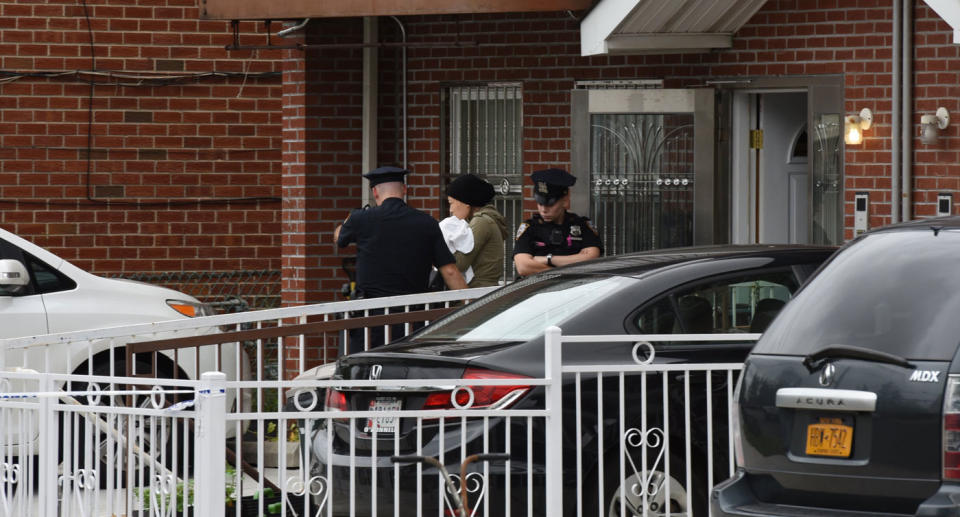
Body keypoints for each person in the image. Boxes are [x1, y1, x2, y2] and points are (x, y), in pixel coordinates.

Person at [334, 166, 467, 352]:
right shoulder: (426, 222)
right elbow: (450, 271)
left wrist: (351, 218)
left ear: (374, 192)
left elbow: (340, 238)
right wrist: (471, 306)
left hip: (370, 319)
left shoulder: (360, 219)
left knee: (364, 372)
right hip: (412, 320)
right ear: (404, 190)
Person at [513, 168, 603, 277]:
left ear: (565, 200)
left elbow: (590, 259)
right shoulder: (530, 227)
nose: (544, 210)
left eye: (550, 204)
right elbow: (524, 267)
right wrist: (564, 274)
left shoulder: (581, 225)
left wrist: (548, 259)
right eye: (540, 203)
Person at [443, 174, 509, 288]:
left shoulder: (481, 222)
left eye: (451, 203)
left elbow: (459, 264)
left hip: (478, 293)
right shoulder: (482, 220)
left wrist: (435, 253)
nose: (451, 210)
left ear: (465, 202)